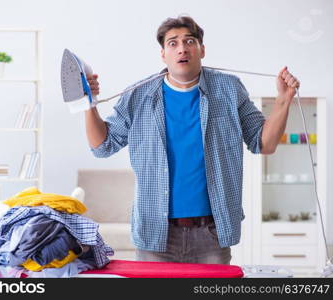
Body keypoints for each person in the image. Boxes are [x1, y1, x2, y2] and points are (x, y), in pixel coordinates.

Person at [83, 15, 299, 264]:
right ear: (163, 54)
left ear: (202, 49)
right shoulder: (138, 95)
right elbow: (102, 146)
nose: (182, 48)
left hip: (211, 234)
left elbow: (264, 143)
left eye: (189, 41)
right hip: (156, 232)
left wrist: (284, 100)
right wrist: (89, 104)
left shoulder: (229, 89)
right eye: (173, 43)